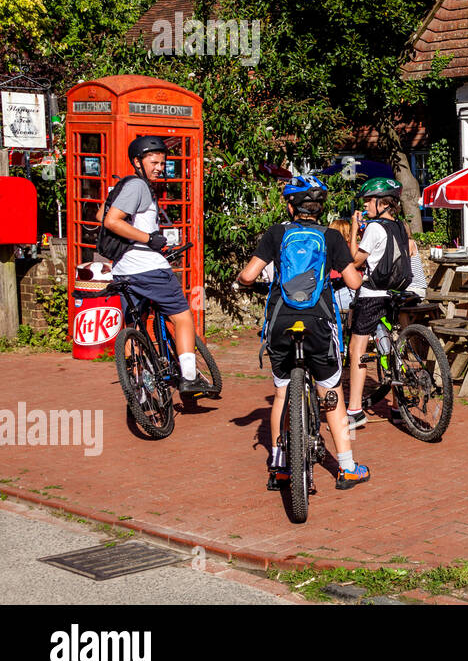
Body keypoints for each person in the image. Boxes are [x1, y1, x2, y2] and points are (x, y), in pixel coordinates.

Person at [236, 176, 370, 490]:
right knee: (330, 392)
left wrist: (244, 282)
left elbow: (248, 275)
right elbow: (352, 283)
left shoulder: (277, 233)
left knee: (282, 392)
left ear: (290, 206)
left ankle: (280, 465)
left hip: (282, 320)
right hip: (319, 320)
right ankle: (348, 468)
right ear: (320, 207)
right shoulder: (330, 237)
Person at [100, 135, 211, 395]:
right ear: (138, 161)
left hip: (123, 269)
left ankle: (137, 384)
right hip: (148, 267)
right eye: (154, 161)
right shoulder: (138, 186)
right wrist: (150, 239)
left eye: (162, 162)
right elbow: (111, 222)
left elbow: (101, 215)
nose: (160, 167)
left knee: (133, 326)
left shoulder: (126, 186)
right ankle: (189, 377)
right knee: (183, 318)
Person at [345, 177, 412, 429]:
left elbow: (356, 261)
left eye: (367, 202)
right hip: (395, 295)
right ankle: (397, 407)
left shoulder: (374, 228)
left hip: (372, 295)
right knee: (392, 350)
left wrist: (354, 228)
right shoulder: (401, 227)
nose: (365, 207)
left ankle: (354, 411)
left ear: (380, 202)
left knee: (357, 350)